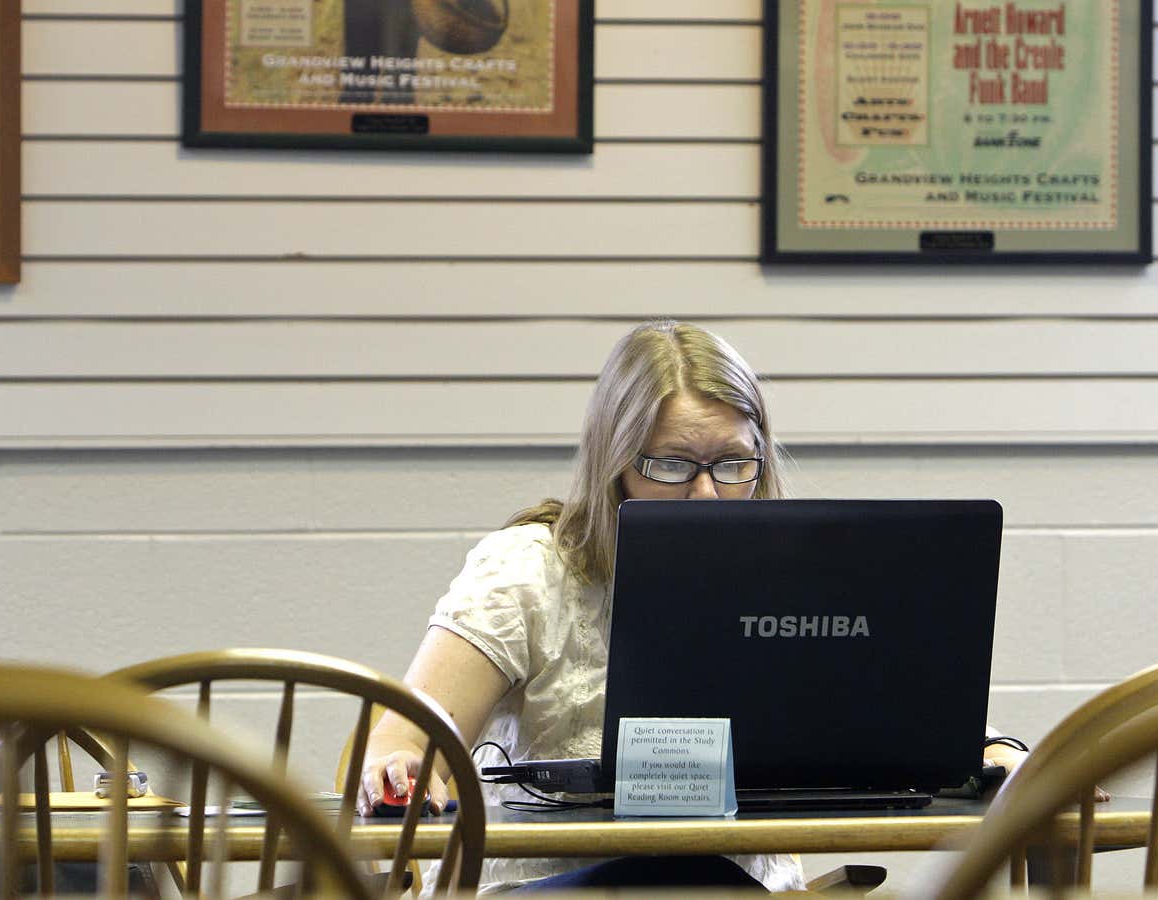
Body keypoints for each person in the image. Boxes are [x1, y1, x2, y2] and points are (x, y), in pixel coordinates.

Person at [356, 320, 1031, 892]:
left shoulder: (795, 567)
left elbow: (895, 729)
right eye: (673, 466)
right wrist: (401, 762)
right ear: (614, 461)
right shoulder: (530, 569)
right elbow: (406, 736)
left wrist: (998, 753)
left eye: (734, 465)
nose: (707, 496)